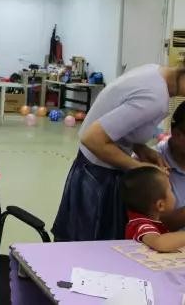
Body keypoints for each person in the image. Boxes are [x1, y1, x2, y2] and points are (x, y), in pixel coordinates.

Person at [52, 64, 185, 242]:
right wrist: (139, 167)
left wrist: (140, 147)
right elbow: (91, 138)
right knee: (91, 246)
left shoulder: (154, 72)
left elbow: (118, 125)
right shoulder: (155, 98)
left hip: (90, 167)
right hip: (98, 175)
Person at [121, 166, 185, 252]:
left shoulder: (147, 220)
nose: (173, 193)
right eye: (171, 190)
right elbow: (161, 243)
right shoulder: (141, 225)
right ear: (160, 205)